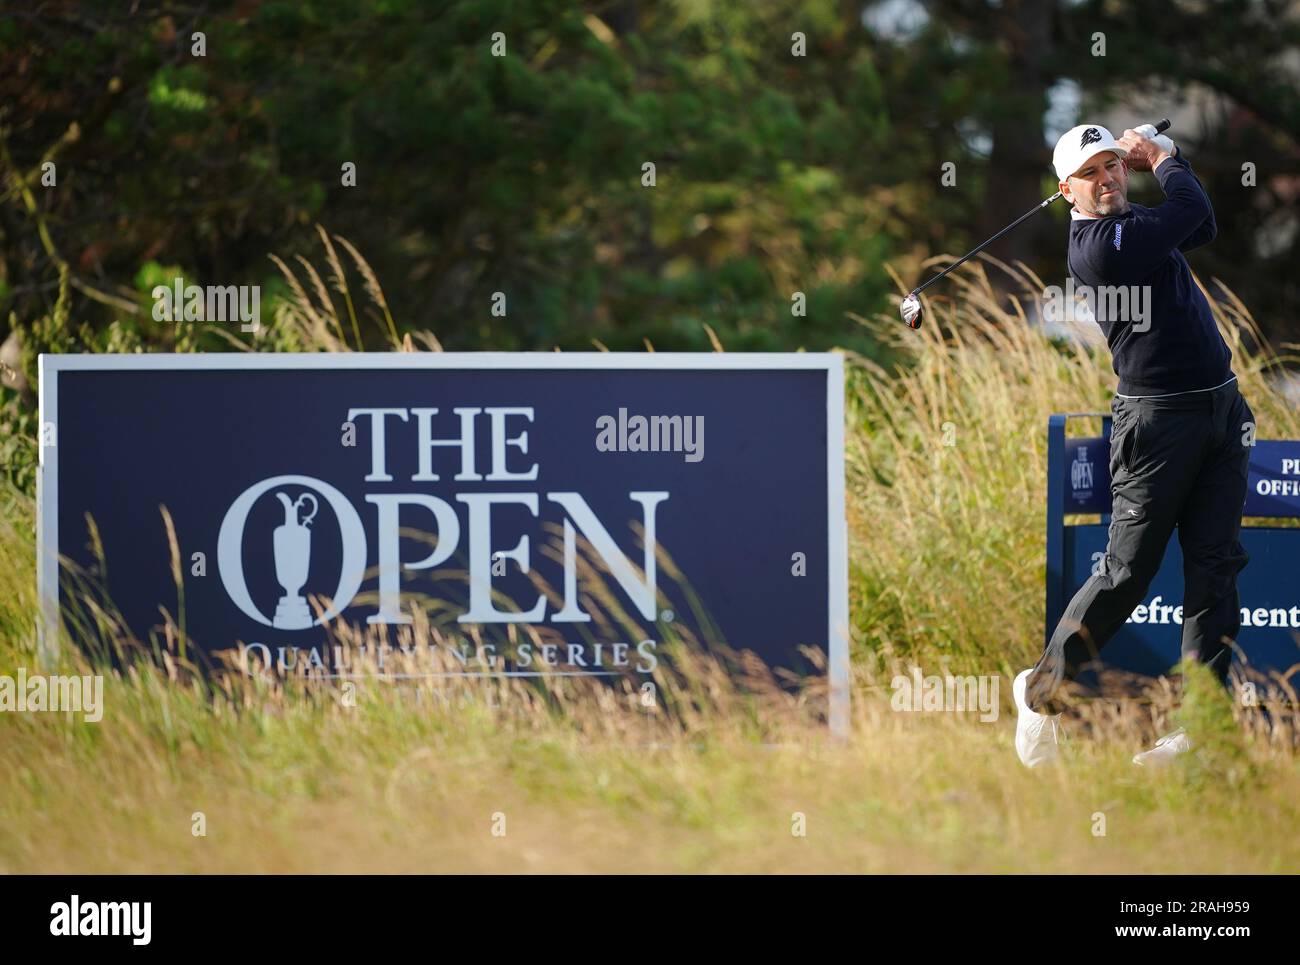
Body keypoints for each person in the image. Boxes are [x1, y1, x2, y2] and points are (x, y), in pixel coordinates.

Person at [1013, 123, 1255, 768]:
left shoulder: (1135, 223)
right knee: (1128, 571)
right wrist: (1164, 156)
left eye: (1116, 165)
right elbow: (1193, 209)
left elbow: (1198, 226)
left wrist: (1165, 165)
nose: (1110, 177)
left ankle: (1200, 730)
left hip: (1221, 408)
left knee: (1215, 566)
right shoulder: (1098, 249)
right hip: (1155, 423)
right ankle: (1039, 691)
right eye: (1092, 172)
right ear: (1068, 191)